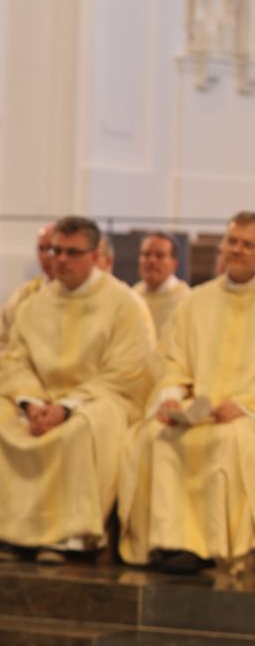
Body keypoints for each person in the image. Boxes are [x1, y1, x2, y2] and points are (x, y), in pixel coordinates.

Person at [0, 215, 153, 562]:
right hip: (37, 401)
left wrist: (65, 407)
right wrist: (32, 402)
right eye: (56, 250)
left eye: (72, 252)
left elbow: (126, 372)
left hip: (99, 400)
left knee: (80, 431)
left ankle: (67, 538)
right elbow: (15, 360)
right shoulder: (35, 303)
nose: (60, 260)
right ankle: (4, 532)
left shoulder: (124, 304)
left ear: (94, 254)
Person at [120, 212, 255, 574]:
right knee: (156, 436)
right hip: (200, 409)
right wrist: (171, 396)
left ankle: (213, 545)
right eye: (233, 242)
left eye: (248, 244)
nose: (237, 250)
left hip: (245, 415)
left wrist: (243, 406)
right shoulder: (195, 301)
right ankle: (168, 540)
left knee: (230, 442)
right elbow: (173, 361)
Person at [0, 224, 55, 359]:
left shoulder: (79, 295)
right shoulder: (23, 295)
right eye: (41, 249)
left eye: (51, 249)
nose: (45, 256)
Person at [133, 231, 188, 341]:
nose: (152, 260)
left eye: (159, 255)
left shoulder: (187, 300)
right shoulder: (131, 297)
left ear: (174, 264)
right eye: (146, 254)